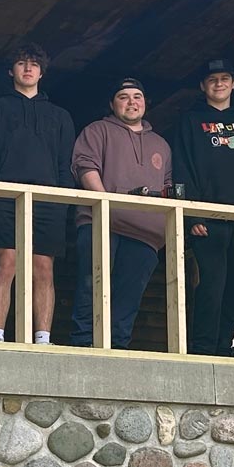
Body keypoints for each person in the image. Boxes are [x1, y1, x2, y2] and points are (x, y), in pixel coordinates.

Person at [0, 40, 75, 343]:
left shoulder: (60, 116)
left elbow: (65, 163)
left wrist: (62, 201)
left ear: (42, 72)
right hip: (5, 198)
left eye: (34, 64)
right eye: (21, 63)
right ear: (11, 70)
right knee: (5, 263)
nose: (28, 68)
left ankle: (43, 337)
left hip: (48, 202)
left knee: (43, 268)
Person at [170, 58, 234, 357]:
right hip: (207, 220)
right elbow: (181, 169)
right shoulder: (189, 120)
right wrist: (192, 215)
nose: (219, 83)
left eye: (225, 78)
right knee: (211, 284)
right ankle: (203, 348)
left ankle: (225, 345)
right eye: (213, 79)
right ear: (203, 86)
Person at [70, 77, 171, 348]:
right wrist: (105, 204)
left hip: (148, 234)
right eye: (124, 97)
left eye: (137, 96)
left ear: (145, 103)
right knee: (92, 285)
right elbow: (85, 167)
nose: (132, 102)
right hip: (102, 223)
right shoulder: (97, 130)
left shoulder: (161, 144)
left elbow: (168, 186)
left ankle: (117, 348)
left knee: (129, 298)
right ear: (112, 104)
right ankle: (83, 345)